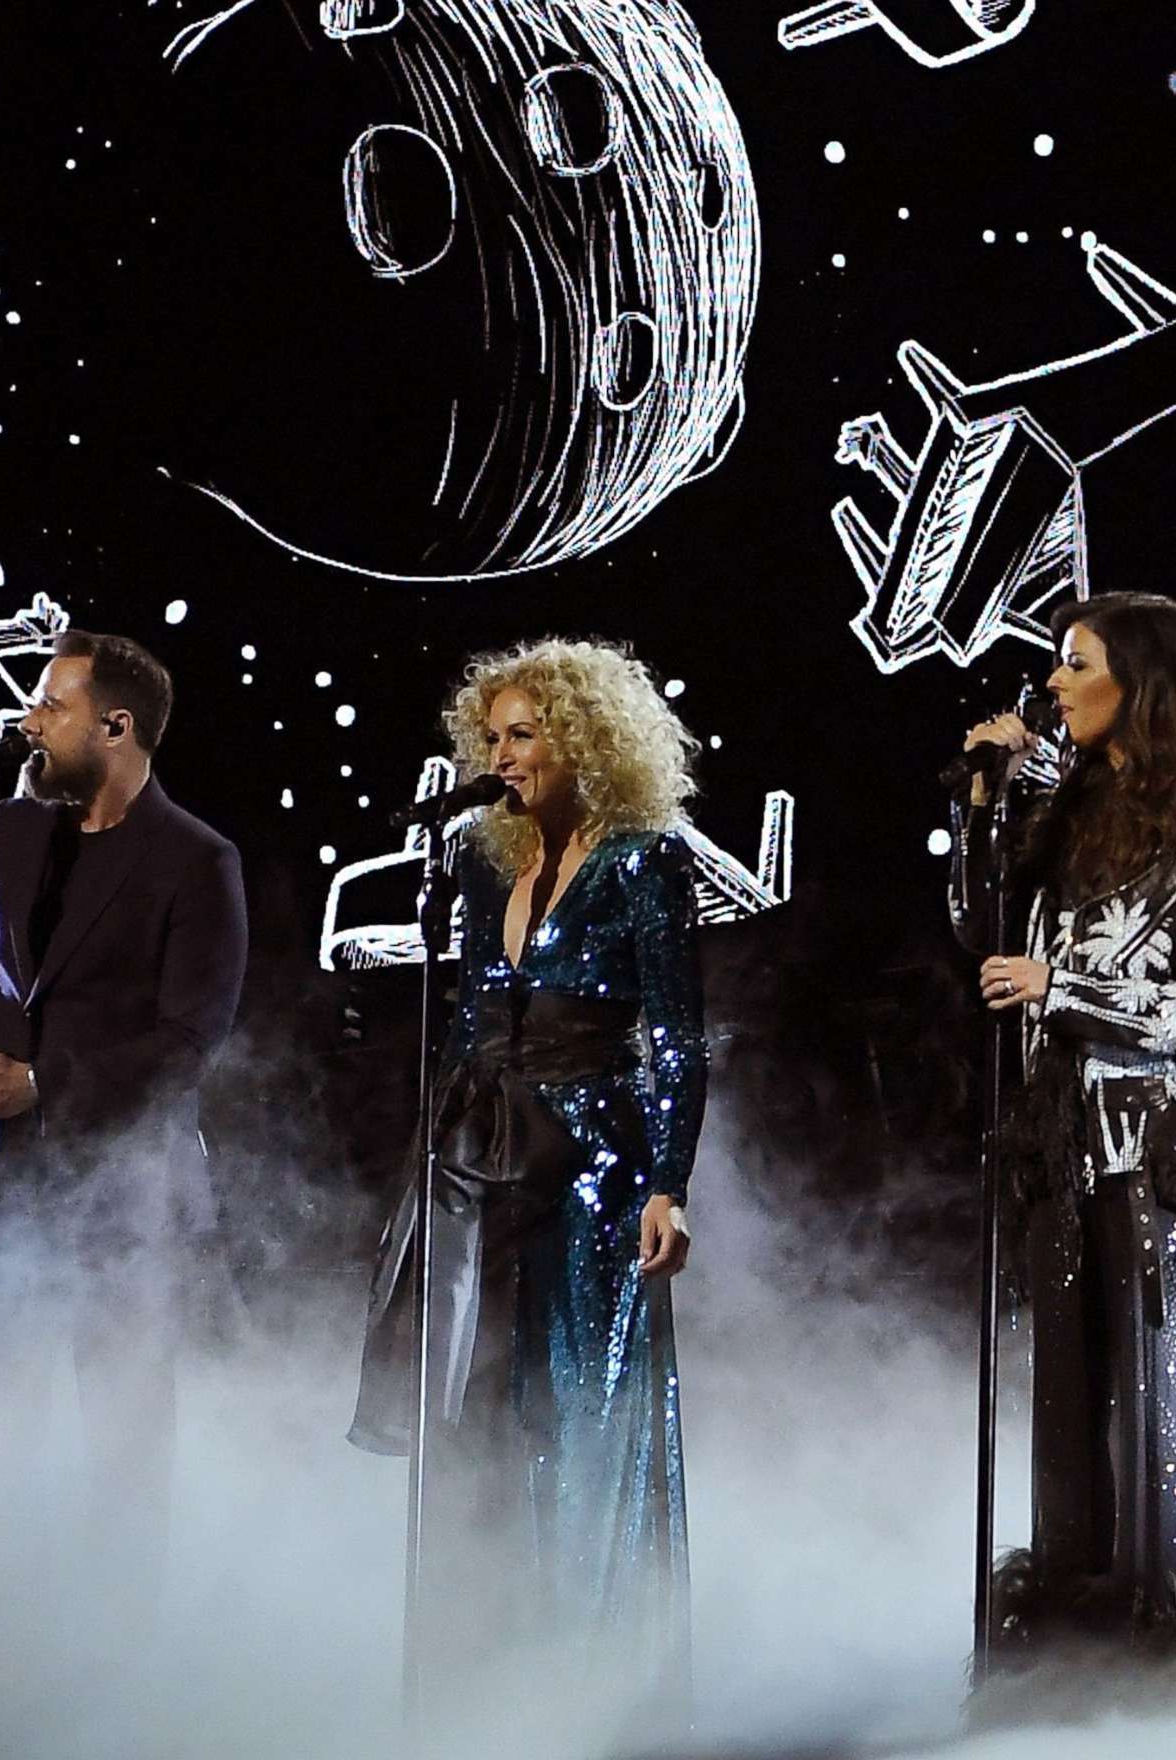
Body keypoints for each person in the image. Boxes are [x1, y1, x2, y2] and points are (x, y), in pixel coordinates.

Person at [952, 591, 1176, 1709]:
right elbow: (979, 932)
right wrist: (981, 803)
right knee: (1065, 1416)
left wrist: (1074, 990)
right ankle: (1064, 1663)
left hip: (1168, 1152)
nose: (1053, 684)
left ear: (1140, 683)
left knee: (1166, 1422)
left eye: (1075, 663)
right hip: (1063, 1146)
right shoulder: (1061, 810)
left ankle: (1174, 1669)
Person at [350, 637, 706, 1706]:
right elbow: (465, 1015)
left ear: (587, 738)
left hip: (593, 1160)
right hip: (475, 1151)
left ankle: (591, 1679)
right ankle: (470, 1672)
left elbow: (680, 1039)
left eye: (524, 732)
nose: (502, 753)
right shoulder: (477, 856)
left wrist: (668, 1182)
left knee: (574, 1414)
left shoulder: (645, 857)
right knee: (470, 1404)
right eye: (491, 734)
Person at [0, 629, 246, 1616]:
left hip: (126, 1193)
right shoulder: (12, 832)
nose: (28, 720)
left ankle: (118, 1644)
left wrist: (44, 1081)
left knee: (121, 1442)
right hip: (1, 1178)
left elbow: (191, 1040)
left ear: (116, 724)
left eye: (50, 705)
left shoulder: (198, 859)